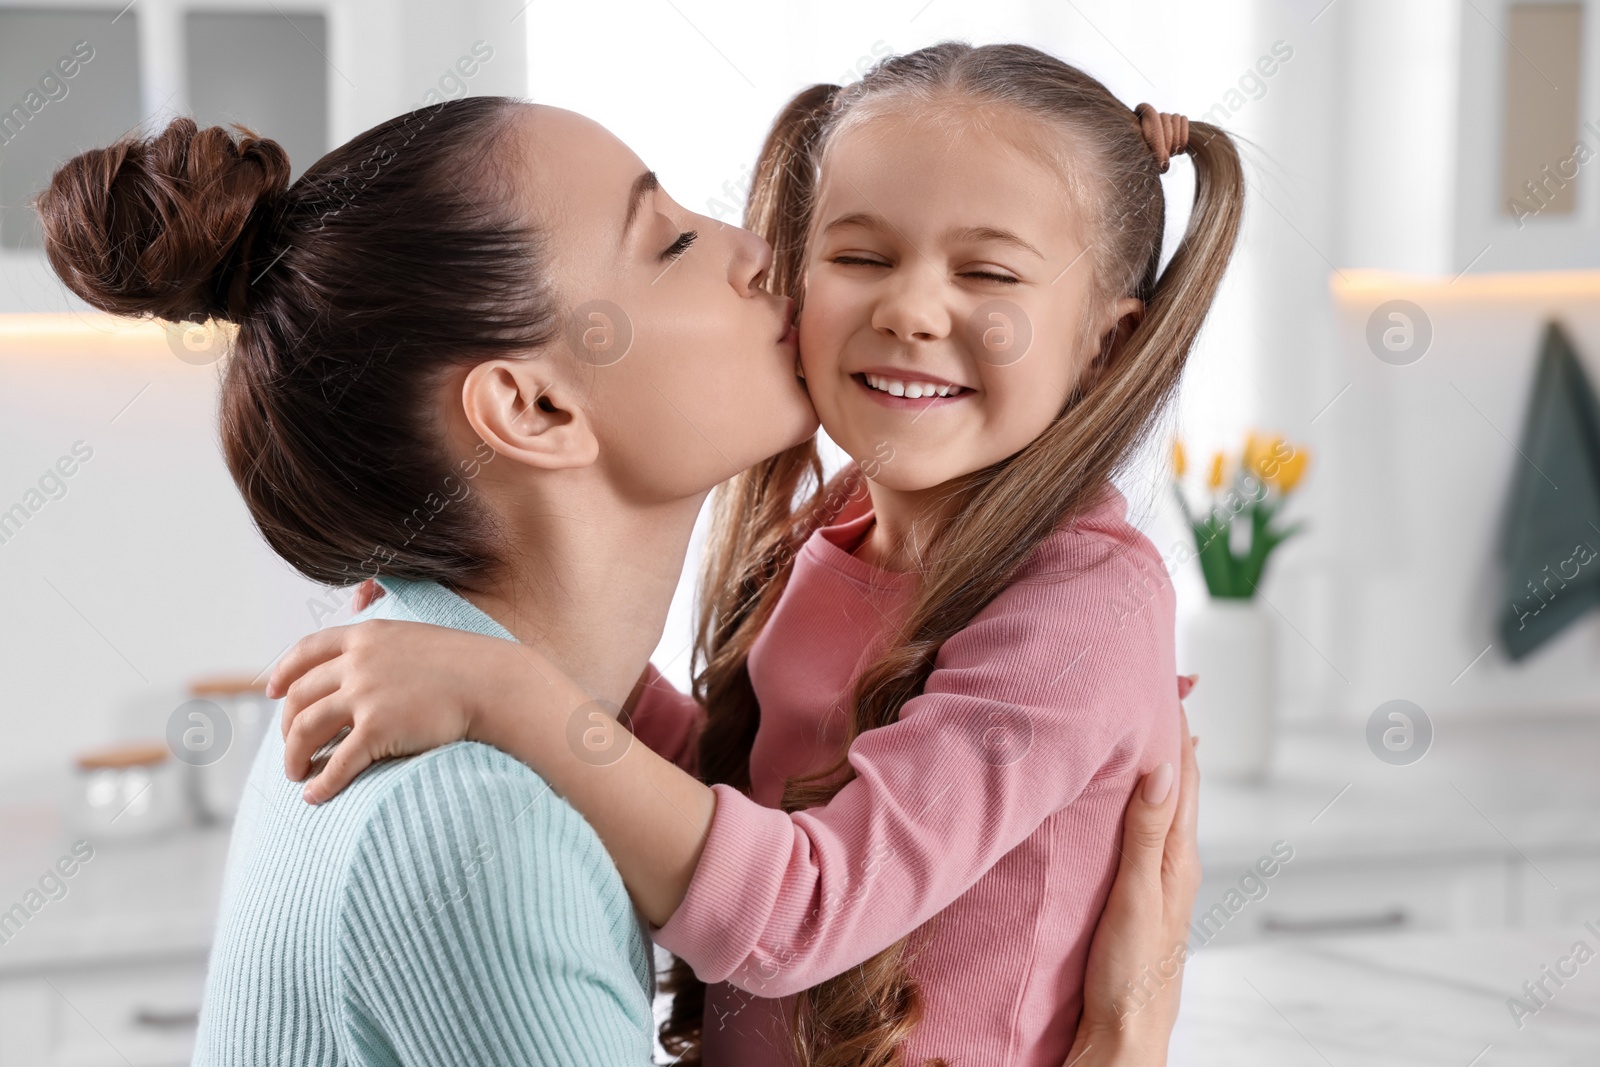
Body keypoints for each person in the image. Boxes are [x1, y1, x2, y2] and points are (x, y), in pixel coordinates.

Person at [39, 89, 1205, 1066]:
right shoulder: (481, 814)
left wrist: (535, 694)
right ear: (537, 406)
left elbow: (781, 844)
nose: (764, 258)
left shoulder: (454, 690)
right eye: (673, 242)